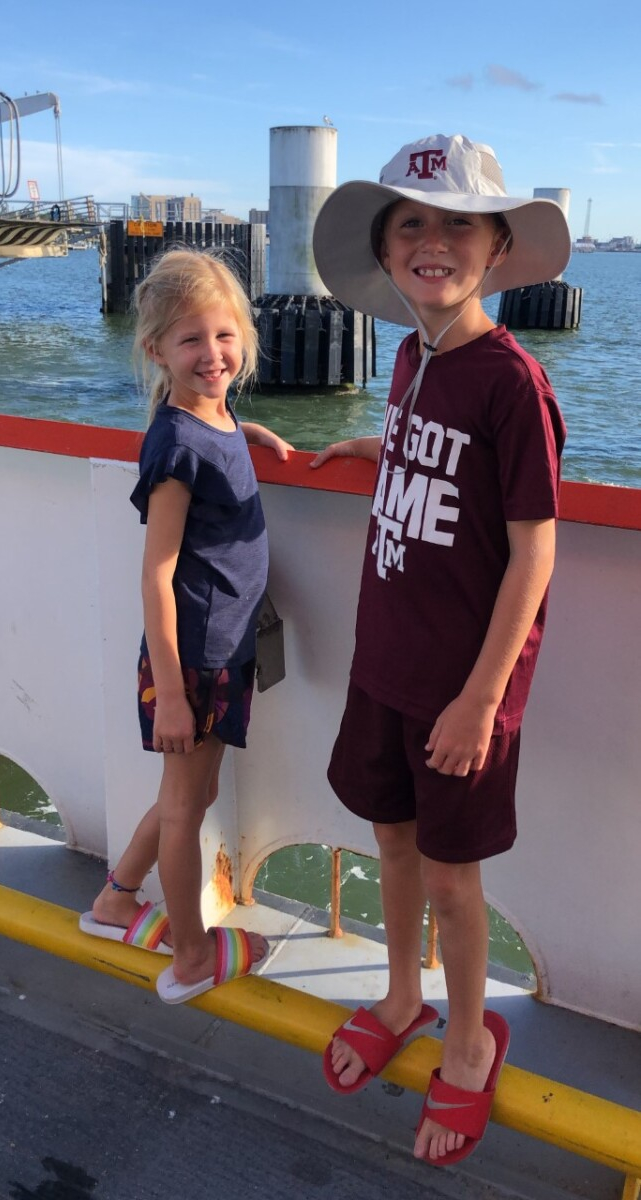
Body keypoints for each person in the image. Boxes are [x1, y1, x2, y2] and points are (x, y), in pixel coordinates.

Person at [310, 134, 570, 1166]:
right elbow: (440, 456)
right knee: (392, 844)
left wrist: (480, 700)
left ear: (498, 249)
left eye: (458, 224)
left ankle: (468, 1043)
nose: (433, 243)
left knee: (455, 881)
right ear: (385, 251)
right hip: (389, 663)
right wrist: (378, 447)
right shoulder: (415, 357)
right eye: (411, 223)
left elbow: (535, 554)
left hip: (464, 690)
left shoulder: (514, 382)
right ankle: (402, 998)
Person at [80, 248, 292, 1005]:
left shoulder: (211, 417)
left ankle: (115, 901)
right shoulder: (174, 448)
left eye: (225, 335)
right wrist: (170, 693)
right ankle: (193, 956)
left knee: (189, 797)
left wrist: (248, 432)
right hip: (194, 660)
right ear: (156, 350)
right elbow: (156, 574)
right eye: (192, 341)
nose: (213, 354)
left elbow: (215, 432)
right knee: (183, 806)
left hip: (222, 649)